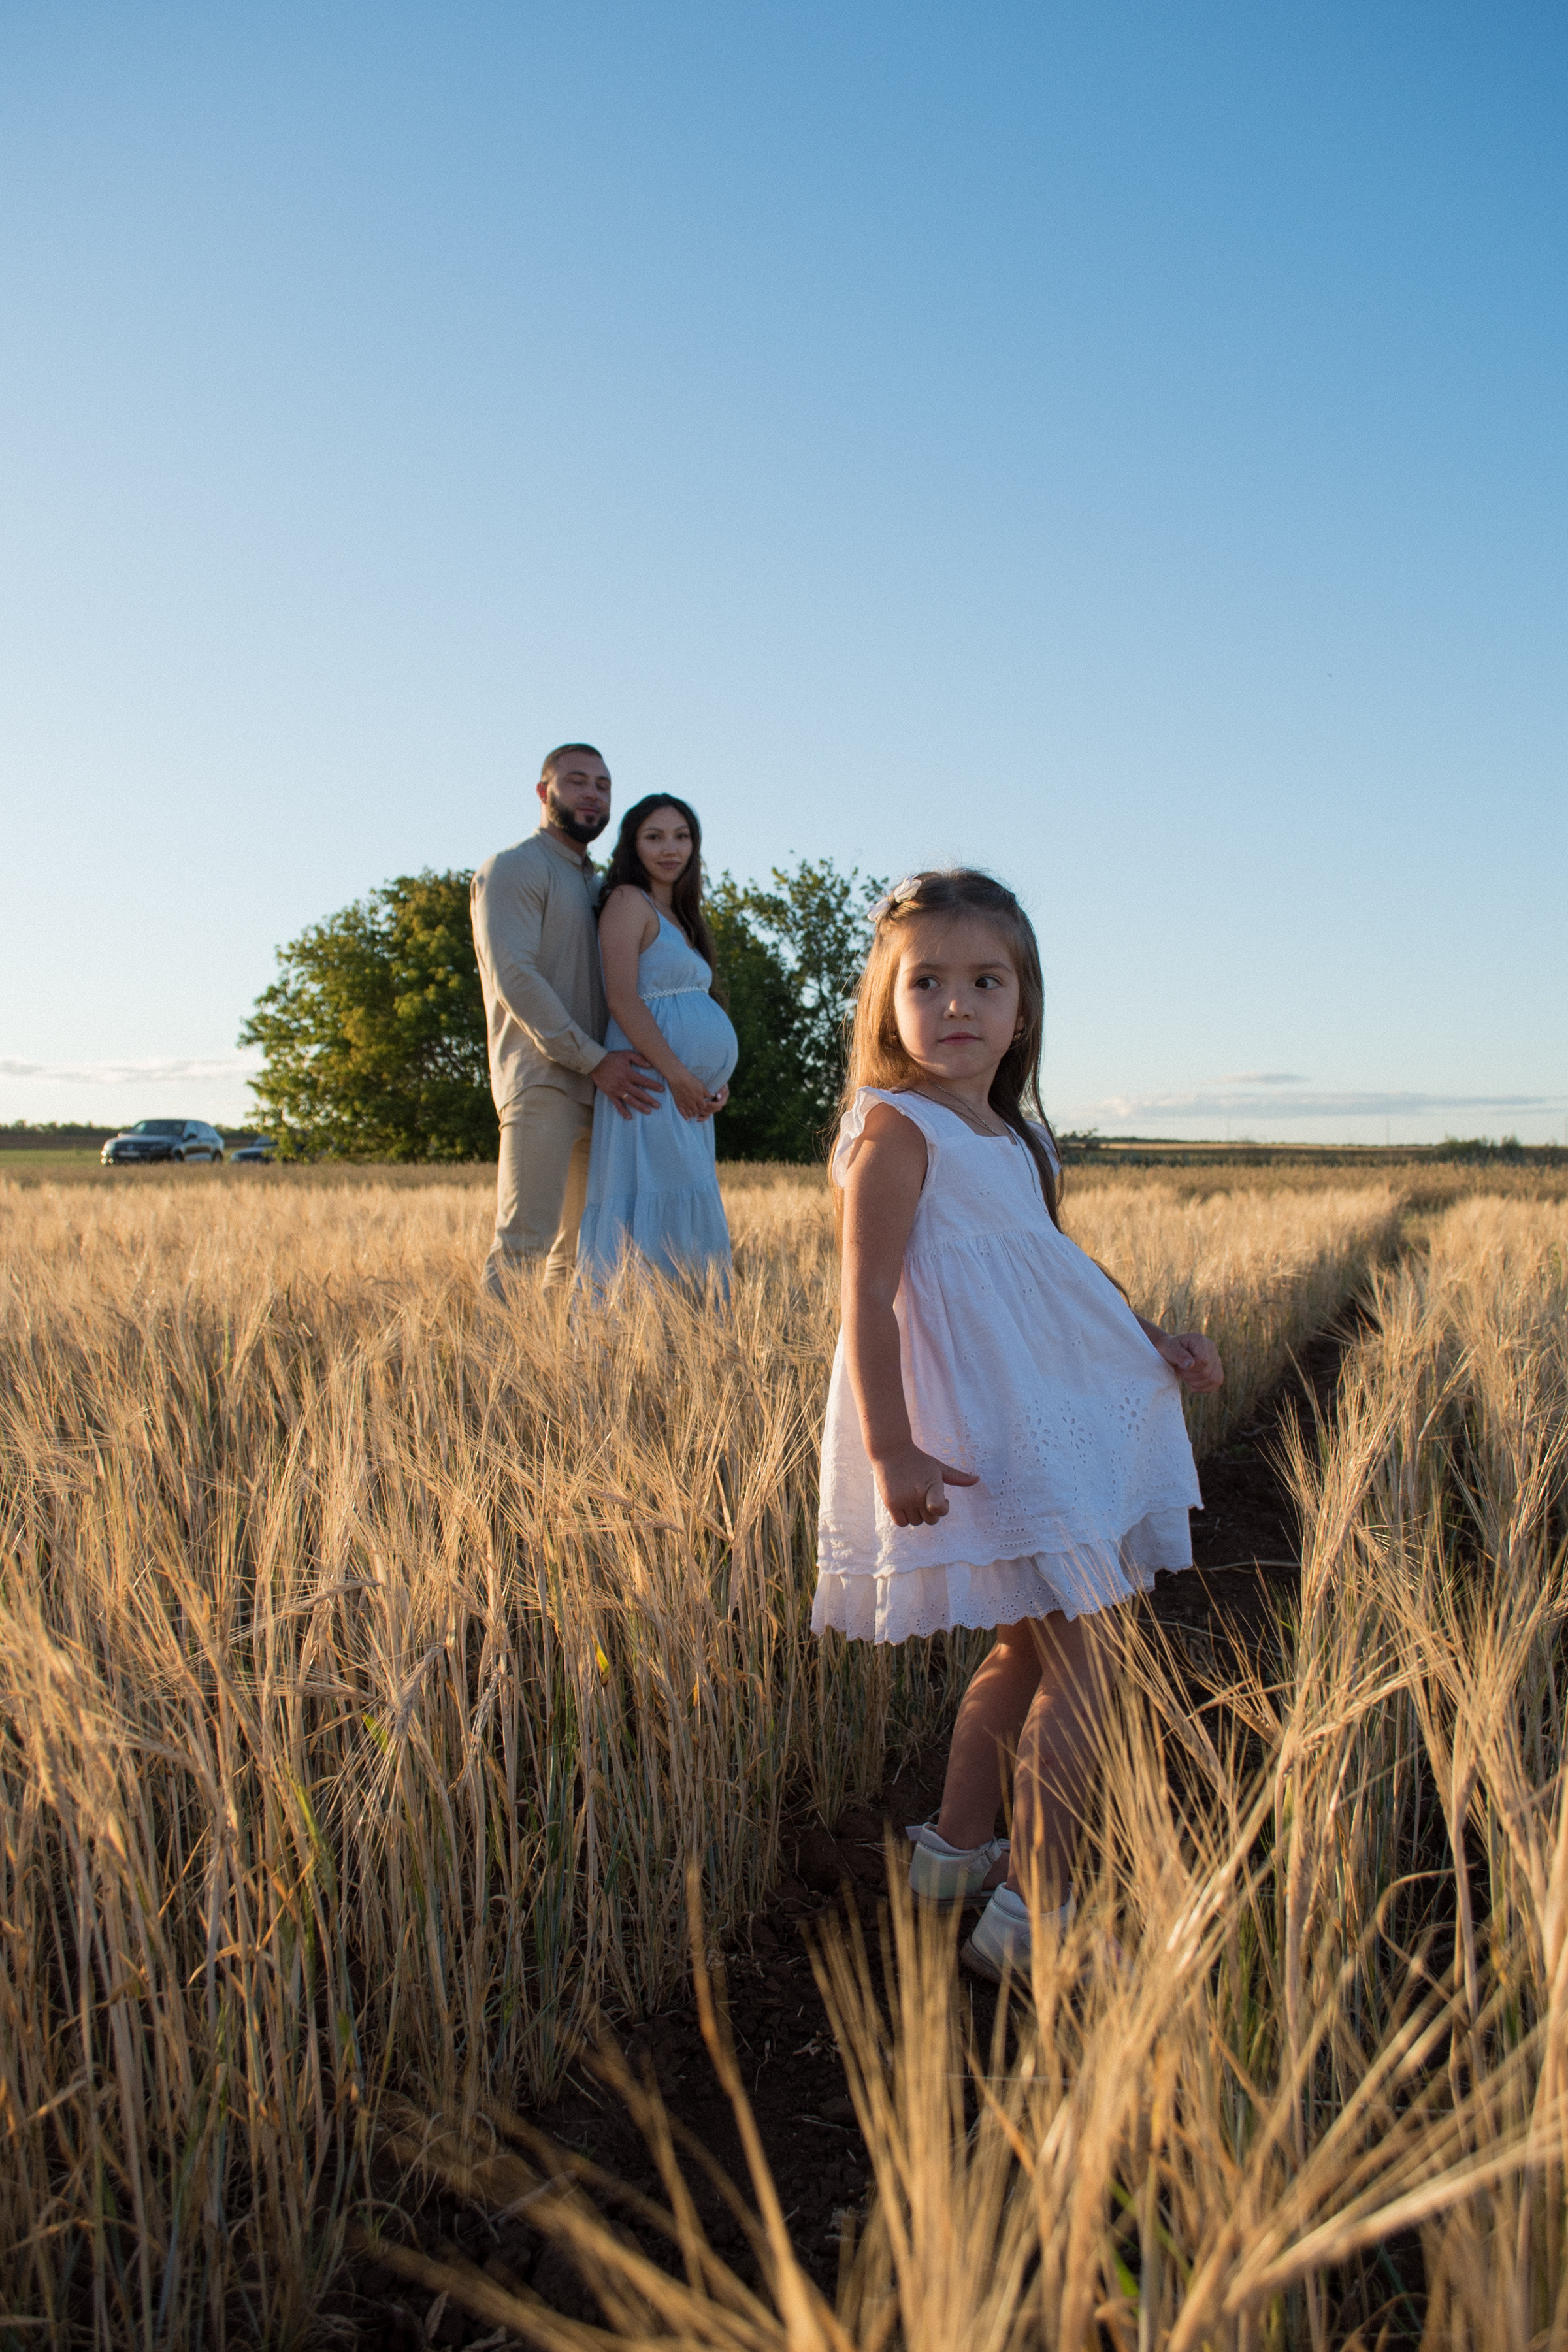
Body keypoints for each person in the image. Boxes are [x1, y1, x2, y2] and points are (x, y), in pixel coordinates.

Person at [811, 868, 1223, 1981]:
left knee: (1031, 1644)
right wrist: (892, 1445)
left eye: (984, 981)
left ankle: (952, 1851)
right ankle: (1037, 1916)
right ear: (886, 1009)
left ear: (1023, 1008)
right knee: (1096, 1657)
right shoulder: (895, 1130)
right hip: (990, 1431)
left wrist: (1152, 1337)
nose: (957, 1005)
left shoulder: (1019, 1137)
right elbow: (866, 1298)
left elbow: (1057, 1269)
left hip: (1055, 1411)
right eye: (927, 982)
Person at [470, 744, 666, 1298]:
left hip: (605, 1087)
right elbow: (517, 979)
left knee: (577, 1250)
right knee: (524, 1244)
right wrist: (594, 1059)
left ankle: (551, 1374)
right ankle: (496, 1381)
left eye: (602, 786)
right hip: (543, 1080)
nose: (592, 794)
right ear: (543, 792)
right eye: (576, 781)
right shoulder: (513, 870)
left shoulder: (599, 886)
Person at [576, 794, 739, 1292]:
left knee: (685, 1209)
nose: (671, 848)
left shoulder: (683, 916)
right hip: (653, 1086)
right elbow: (623, 999)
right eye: (655, 836)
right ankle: (633, 1344)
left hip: (687, 1096)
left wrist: (715, 1080)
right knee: (649, 1205)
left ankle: (686, 1343)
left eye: (681, 836)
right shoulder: (628, 901)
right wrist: (681, 1075)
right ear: (633, 845)